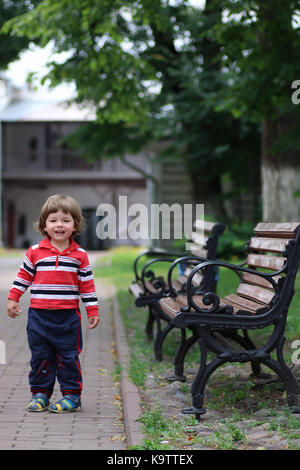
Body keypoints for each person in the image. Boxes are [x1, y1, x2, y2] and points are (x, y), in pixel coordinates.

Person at [7, 194, 100, 413]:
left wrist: (92, 310)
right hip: (39, 317)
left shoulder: (80, 255)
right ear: (44, 225)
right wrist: (13, 298)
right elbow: (23, 277)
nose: (59, 225)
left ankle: (71, 396)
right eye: (53, 220)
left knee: (68, 358)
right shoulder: (35, 252)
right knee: (40, 357)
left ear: (75, 225)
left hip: (68, 319)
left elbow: (87, 286)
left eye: (66, 220)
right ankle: (40, 394)